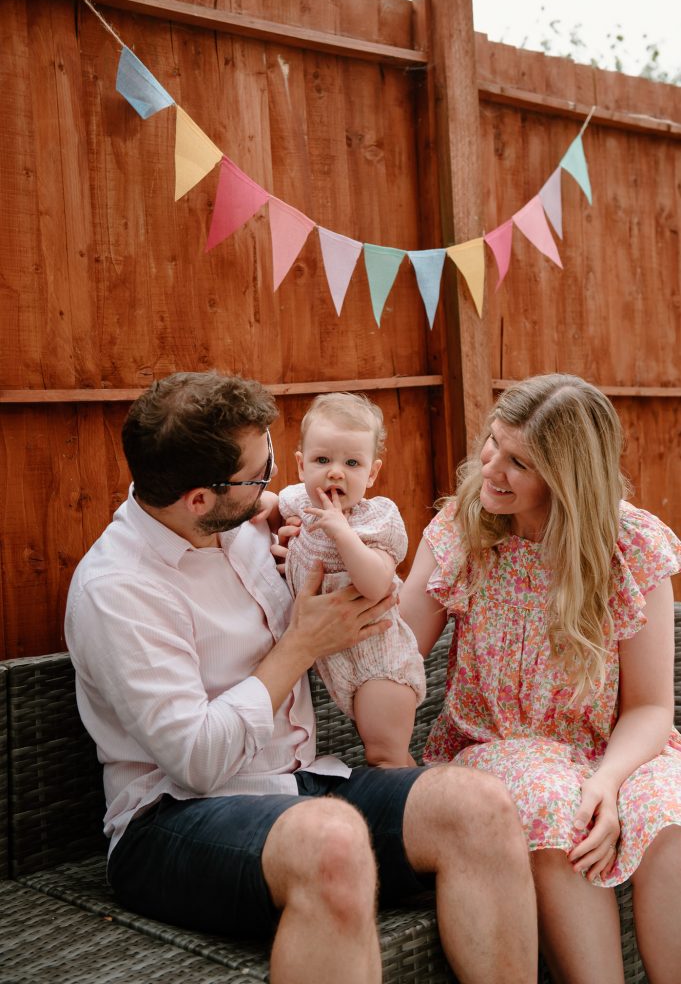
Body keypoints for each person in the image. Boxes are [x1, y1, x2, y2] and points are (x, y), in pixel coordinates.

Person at [64, 370, 538, 984]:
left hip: (297, 786)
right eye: (259, 476)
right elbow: (197, 762)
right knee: (333, 841)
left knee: (477, 803)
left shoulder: (236, 526)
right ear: (199, 498)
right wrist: (302, 644)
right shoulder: (118, 591)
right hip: (170, 821)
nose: (275, 487)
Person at [400, 372, 681, 984]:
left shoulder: (630, 544)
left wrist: (608, 780)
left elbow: (653, 707)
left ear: (567, 474)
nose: (491, 468)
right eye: (493, 444)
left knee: (671, 810)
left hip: (608, 748)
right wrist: (336, 550)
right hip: (498, 751)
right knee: (560, 809)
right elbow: (394, 657)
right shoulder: (460, 531)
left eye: (519, 461)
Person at [270, 392, 426, 768]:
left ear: (371, 473)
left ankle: (420, 814)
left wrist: (342, 533)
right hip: (335, 660)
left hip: (380, 664)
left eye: (351, 463)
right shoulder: (298, 503)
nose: (335, 472)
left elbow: (375, 585)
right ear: (301, 465)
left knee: (385, 757)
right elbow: (269, 505)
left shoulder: (377, 520)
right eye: (322, 460)